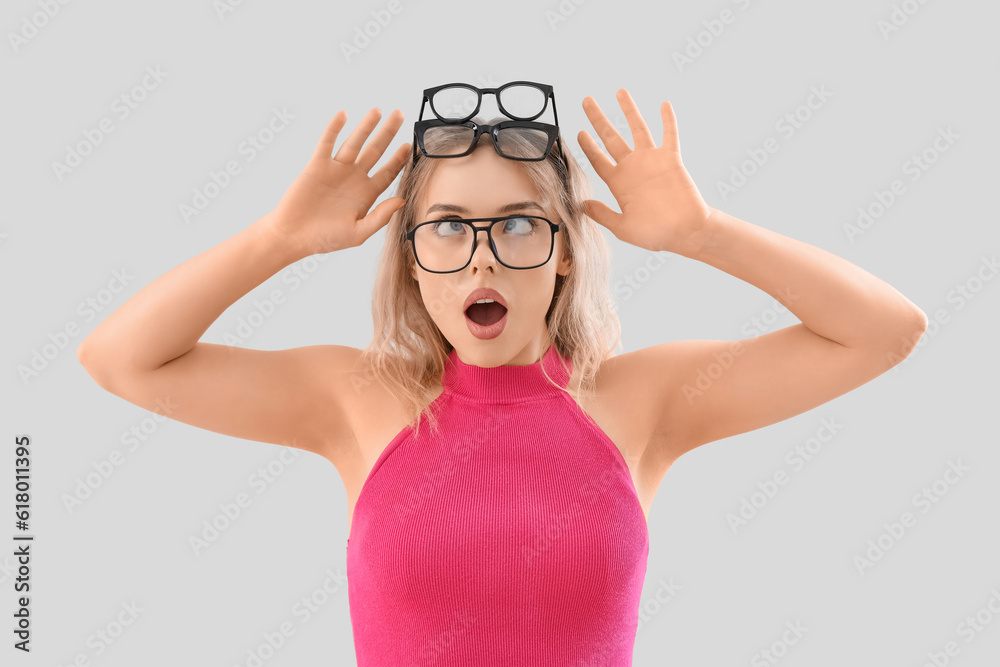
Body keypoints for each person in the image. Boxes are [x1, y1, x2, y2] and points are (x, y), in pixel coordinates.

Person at [77, 82, 928, 665]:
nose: (481, 258)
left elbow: (885, 332)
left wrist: (700, 233)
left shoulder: (643, 402)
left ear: (563, 254)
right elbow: (119, 359)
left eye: (519, 224)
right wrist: (278, 239)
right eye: (447, 226)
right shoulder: (355, 400)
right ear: (411, 262)